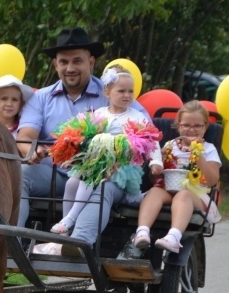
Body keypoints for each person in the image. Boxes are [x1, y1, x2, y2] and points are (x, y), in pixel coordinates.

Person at [16, 27, 150, 251]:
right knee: (20, 174)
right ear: (55, 65)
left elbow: (145, 134)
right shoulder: (41, 98)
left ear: (91, 62)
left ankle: (76, 246)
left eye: (77, 61)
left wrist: (118, 156)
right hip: (55, 176)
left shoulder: (113, 92)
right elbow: (25, 138)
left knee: (100, 182)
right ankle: (11, 244)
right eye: (63, 62)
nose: (70, 68)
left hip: (107, 175)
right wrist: (33, 151)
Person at [50, 65, 162, 234]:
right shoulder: (100, 113)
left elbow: (150, 139)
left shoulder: (137, 116)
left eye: (130, 91)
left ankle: (71, 218)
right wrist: (73, 147)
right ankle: (65, 229)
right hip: (95, 161)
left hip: (121, 165)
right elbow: (83, 134)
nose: (127, 95)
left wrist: (156, 161)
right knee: (72, 183)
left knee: (91, 176)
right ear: (107, 93)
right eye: (121, 91)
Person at [133, 100, 221, 253]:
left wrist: (198, 155)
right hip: (168, 189)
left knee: (183, 195)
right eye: (186, 125)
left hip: (195, 195)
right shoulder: (170, 146)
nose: (191, 130)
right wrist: (156, 170)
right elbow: (155, 178)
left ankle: (173, 237)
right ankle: (142, 232)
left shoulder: (208, 149)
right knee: (154, 192)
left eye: (197, 126)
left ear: (205, 126)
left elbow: (212, 180)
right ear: (178, 125)